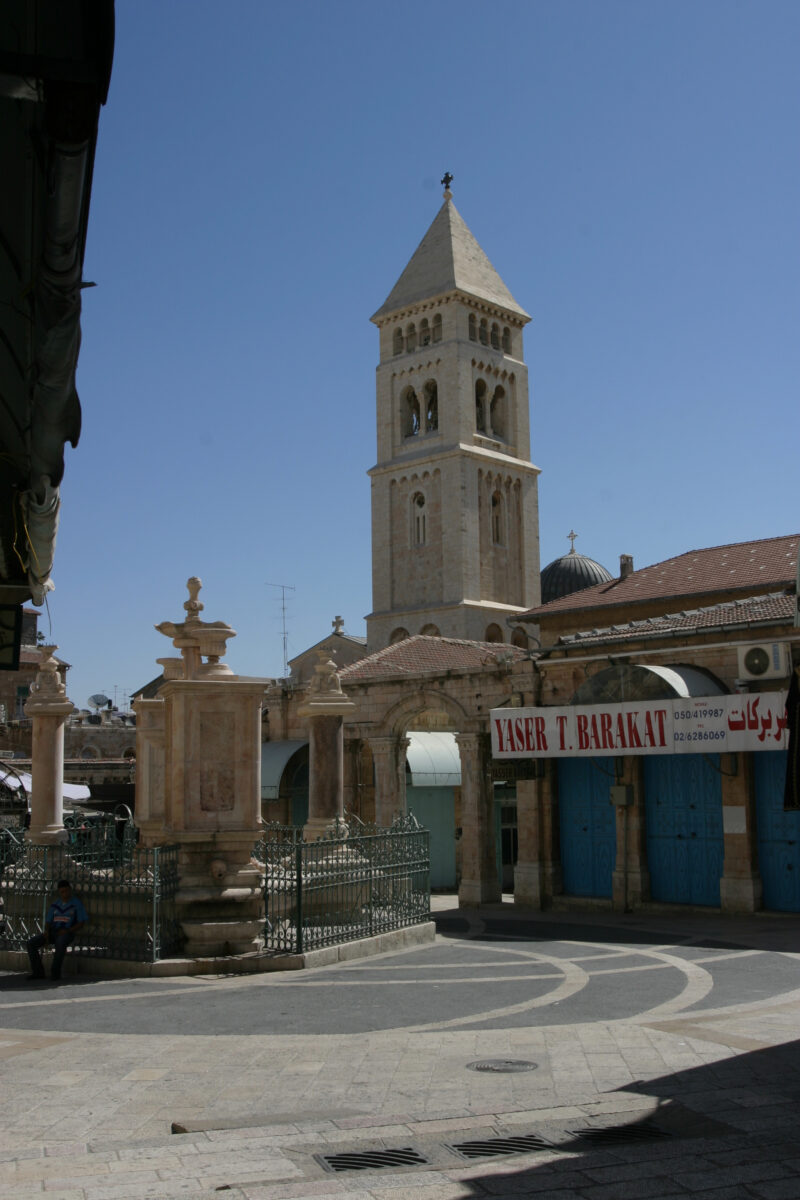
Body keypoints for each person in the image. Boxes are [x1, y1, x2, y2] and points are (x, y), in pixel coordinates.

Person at [27, 879, 87, 982]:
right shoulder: (56, 904)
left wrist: (68, 930)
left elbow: (81, 922)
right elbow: (48, 920)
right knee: (31, 943)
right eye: (62, 892)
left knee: (60, 943)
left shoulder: (76, 903)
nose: (65, 894)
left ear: (70, 890)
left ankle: (55, 972)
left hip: (67, 932)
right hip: (53, 931)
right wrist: (46, 931)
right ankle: (38, 972)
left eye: (66, 891)